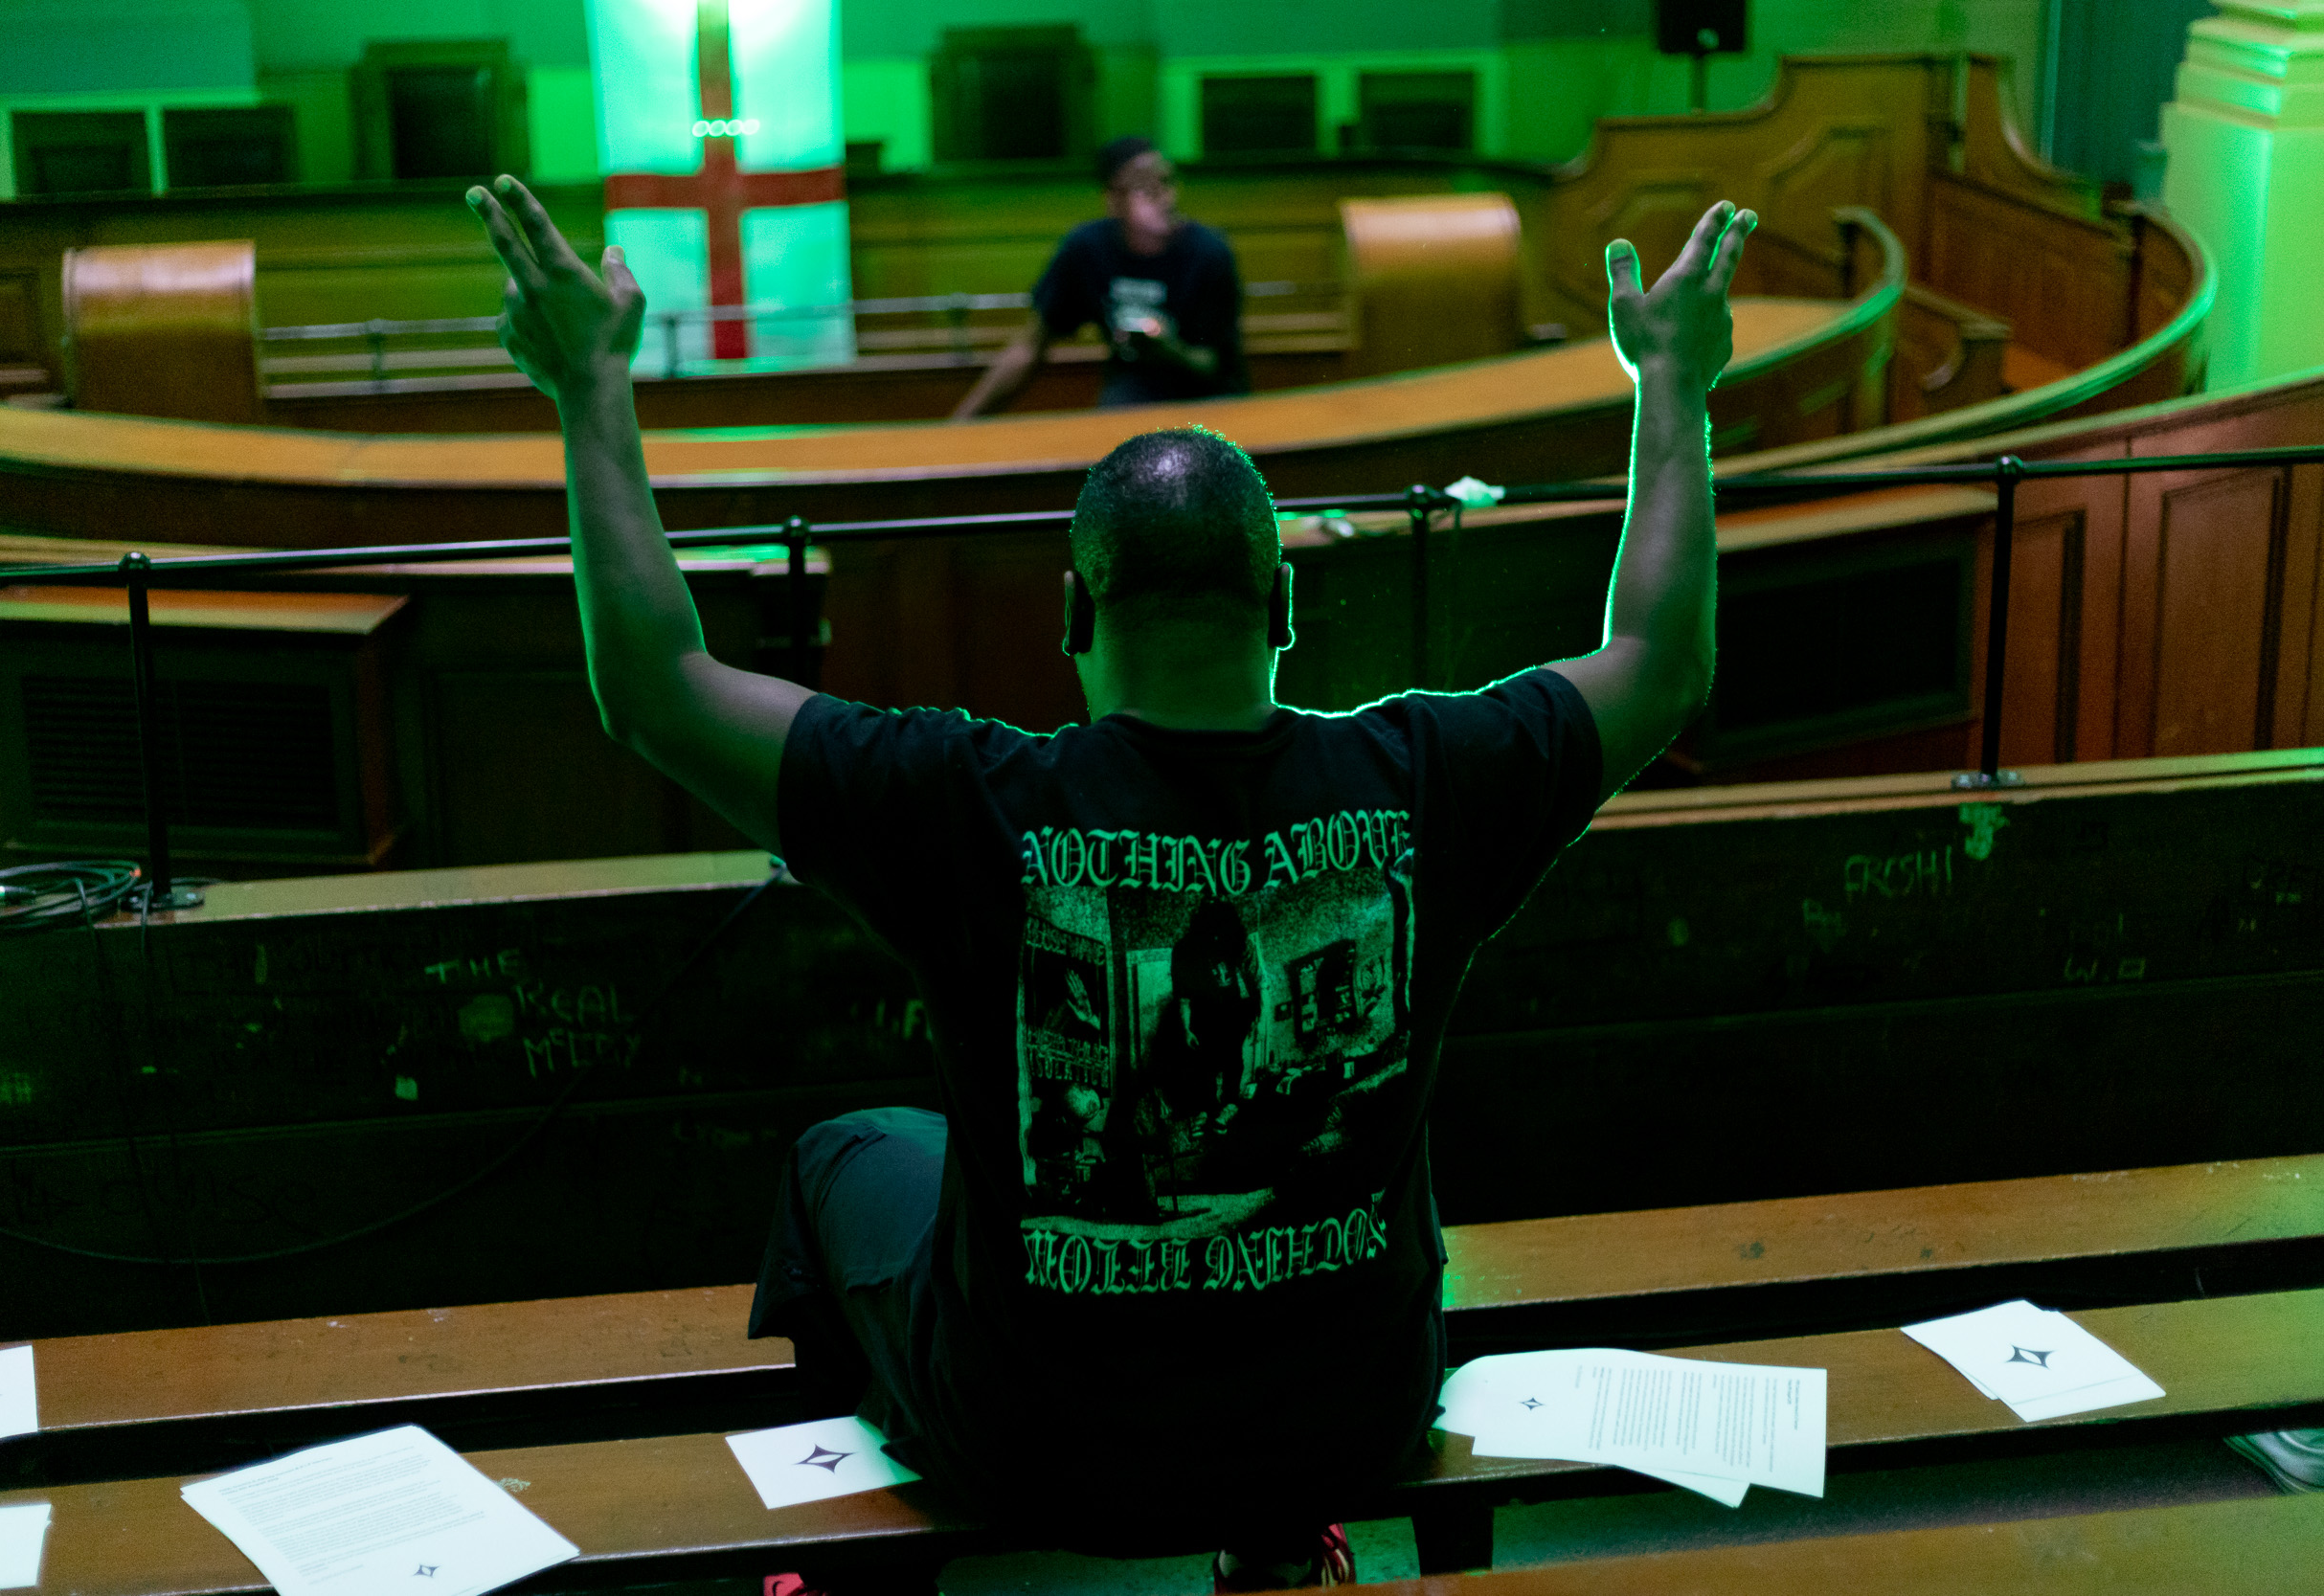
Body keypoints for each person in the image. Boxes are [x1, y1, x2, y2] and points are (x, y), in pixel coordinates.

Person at [463, 171, 1754, 1587]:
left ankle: (843, 1567)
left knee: (847, 1150)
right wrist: (1673, 383)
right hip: (1348, 1419)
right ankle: (1279, 1543)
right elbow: (1661, 661)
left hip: (1032, 1441)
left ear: (1074, 613)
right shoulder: (1424, 779)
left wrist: (591, 388)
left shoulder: (968, 804)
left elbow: (654, 687)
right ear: (1283, 609)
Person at [952, 136, 1247, 419]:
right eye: (1143, 187)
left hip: (1208, 397)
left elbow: (1213, 364)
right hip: (1133, 390)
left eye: (1166, 181)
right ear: (1113, 199)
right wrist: (960, 426)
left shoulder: (1209, 252)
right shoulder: (1088, 249)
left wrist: (1168, 348)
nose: (1162, 196)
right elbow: (1029, 347)